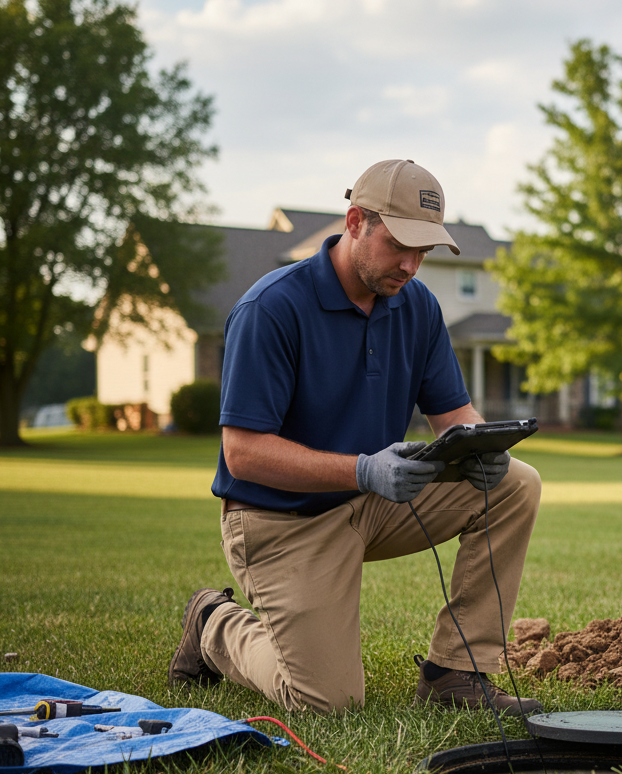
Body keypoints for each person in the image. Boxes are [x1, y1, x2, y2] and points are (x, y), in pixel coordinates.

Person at [168, 159, 542, 715]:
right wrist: (363, 469)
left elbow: (454, 415)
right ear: (354, 222)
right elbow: (242, 454)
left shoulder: (418, 307)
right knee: (327, 701)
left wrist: (480, 448)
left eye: (424, 252)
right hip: (281, 523)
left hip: (375, 503)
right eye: (399, 245)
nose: (411, 266)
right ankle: (213, 625)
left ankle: (457, 675)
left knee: (515, 483)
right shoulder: (271, 309)